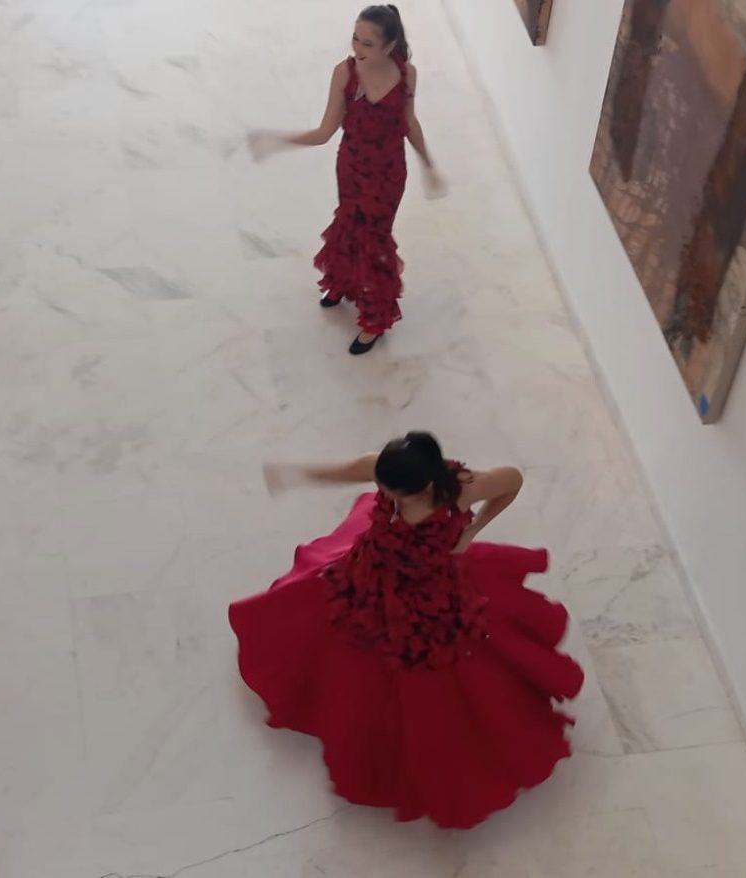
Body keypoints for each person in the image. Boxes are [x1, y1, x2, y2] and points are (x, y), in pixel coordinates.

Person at [228, 432, 584, 829]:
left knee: (425, 667)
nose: (385, 495)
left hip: (426, 592)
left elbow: (512, 481)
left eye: (394, 493)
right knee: (329, 620)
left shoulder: (463, 490)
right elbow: (348, 470)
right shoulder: (388, 470)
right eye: (383, 488)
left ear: (426, 485)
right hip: (372, 570)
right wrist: (296, 474)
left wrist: (472, 531)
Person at [248, 6, 446, 355]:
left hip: (389, 172)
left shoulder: (407, 74)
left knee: (375, 240)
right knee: (349, 224)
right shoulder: (345, 73)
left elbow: (409, 122)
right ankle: (342, 281)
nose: (357, 48)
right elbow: (324, 131)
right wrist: (279, 141)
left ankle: (375, 319)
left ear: (390, 45)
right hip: (352, 167)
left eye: (368, 43)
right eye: (355, 38)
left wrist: (428, 164)